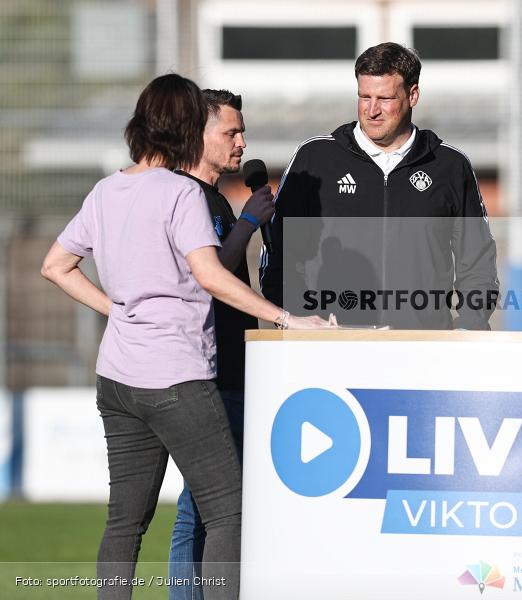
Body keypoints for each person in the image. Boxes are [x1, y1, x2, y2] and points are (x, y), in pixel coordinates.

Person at [40, 74, 333, 600]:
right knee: (229, 511)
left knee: (124, 524)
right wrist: (289, 320)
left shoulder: (107, 188)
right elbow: (212, 275)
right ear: (184, 127)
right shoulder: (180, 192)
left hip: (117, 378)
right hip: (177, 377)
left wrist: (119, 311)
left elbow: (56, 266)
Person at [260, 42, 498, 329]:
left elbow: (477, 260)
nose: (372, 110)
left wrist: (471, 324)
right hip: (330, 345)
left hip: (422, 348)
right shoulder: (315, 159)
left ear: (413, 95)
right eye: (364, 97)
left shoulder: (450, 165)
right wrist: (294, 316)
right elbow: (278, 251)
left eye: (384, 99)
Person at [167, 89, 271, 600]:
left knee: (212, 506)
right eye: (230, 131)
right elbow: (208, 274)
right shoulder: (187, 197)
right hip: (205, 376)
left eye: (240, 130)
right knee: (200, 509)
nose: (241, 141)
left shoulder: (215, 200)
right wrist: (250, 220)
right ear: (197, 134)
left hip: (231, 369)